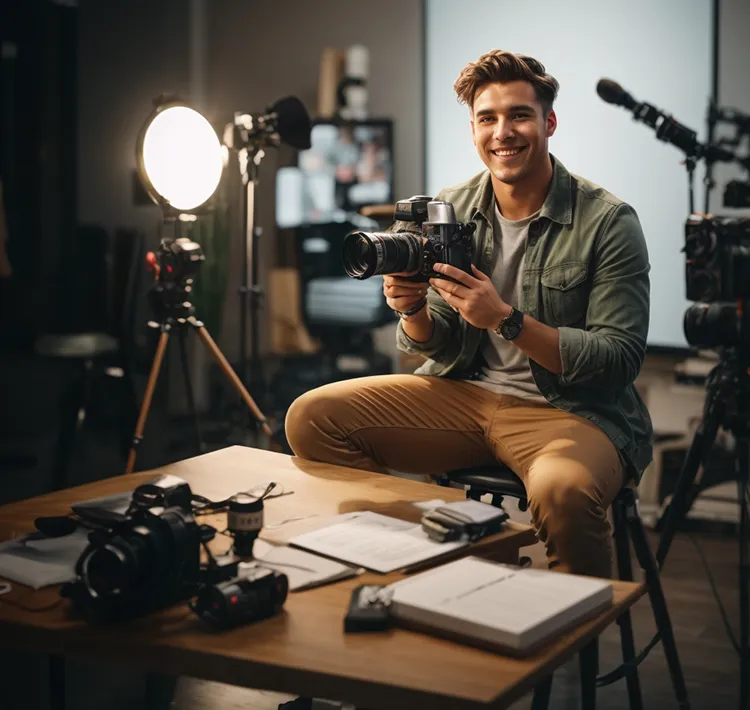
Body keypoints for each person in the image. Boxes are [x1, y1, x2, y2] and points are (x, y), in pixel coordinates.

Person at [285, 50, 653, 579]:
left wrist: (506, 320)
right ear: (474, 128)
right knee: (312, 419)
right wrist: (411, 309)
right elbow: (435, 341)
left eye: (519, 115)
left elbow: (618, 360)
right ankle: (444, 550)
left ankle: (572, 630)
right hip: (464, 395)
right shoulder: (450, 209)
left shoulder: (608, 221)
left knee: (562, 491)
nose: (503, 132)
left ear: (548, 122)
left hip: (569, 412)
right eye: (487, 118)